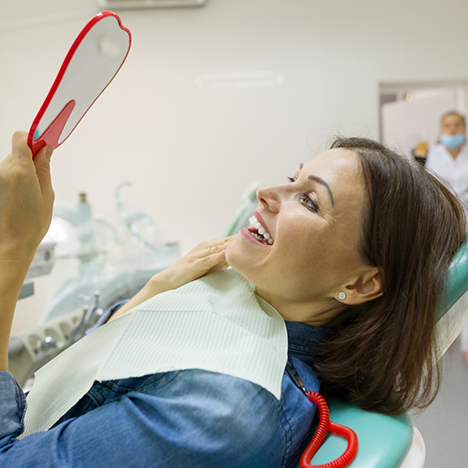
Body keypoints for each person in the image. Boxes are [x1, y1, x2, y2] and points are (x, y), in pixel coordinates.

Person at [0, 131, 465, 467]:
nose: (266, 192)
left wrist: (11, 253)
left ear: (362, 284)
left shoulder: (225, 411)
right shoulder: (244, 294)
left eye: (309, 201)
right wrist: (154, 291)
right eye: (292, 178)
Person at [425, 111, 468, 366]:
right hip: (447, 224)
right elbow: (433, 187)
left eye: (457, 125)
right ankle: (443, 337)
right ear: (441, 129)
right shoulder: (434, 154)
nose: (452, 130)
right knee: (448, 276)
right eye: (447, 125)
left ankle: (466, 343)